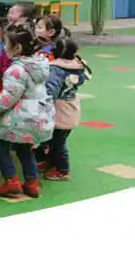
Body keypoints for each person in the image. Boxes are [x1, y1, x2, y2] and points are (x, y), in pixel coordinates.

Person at [0, 23, 54, 199]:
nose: (3, 48)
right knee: (24, 149)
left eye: (6, 44)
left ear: (17, 47)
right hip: (36, 116)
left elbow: (8, 99)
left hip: (18, 119)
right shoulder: (40, 64)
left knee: (1, 146)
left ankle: (11, 181)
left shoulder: (16, 70)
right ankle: (31, 183)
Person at [40, 38, 88, 181]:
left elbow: (51, 91)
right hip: (71, 106)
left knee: (58, 142)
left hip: (59, 109)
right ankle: (51, 162)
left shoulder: (56, 68)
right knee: (53, 139)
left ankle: (62, 170)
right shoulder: (77, 66)